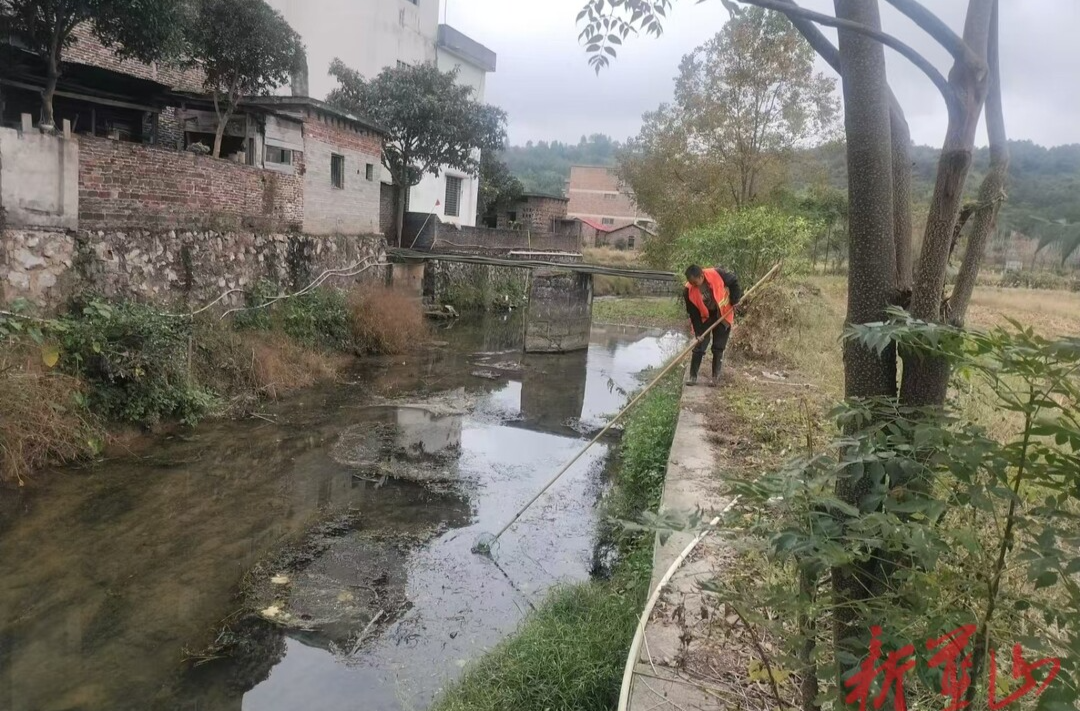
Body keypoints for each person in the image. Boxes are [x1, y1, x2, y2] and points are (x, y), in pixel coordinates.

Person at [683, 264, 742, 386]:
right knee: (699, 346)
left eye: (694, 282)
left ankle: (715, 378)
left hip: (723, 313)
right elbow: (693, 313)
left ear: (701, 276)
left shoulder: (717, 273)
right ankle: (693, 377)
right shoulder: (688, 290)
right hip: (705, 317)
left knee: (718, 347)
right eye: (690, 282)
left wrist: (735, 300)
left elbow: (734, 281)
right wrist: (699, 333)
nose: (692, 285)